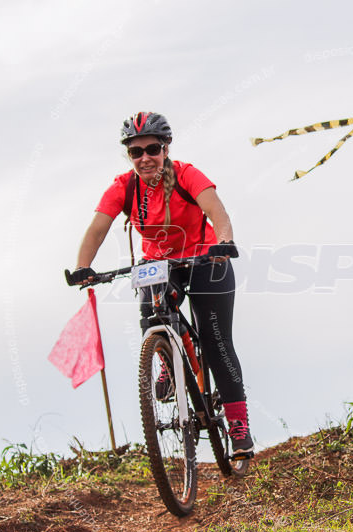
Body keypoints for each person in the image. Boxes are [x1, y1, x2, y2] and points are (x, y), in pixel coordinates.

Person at [71, 111, 253, 456]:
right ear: (129, 156)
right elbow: (98, 228)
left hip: (205, 259)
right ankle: (168, 360)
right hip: (159, 263)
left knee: (216, 341)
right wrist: (83, 267)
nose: (145, 158)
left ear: (165, 148)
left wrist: (224, 242)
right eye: (135, 152)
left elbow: (217, 212)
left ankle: (238, 424)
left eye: (151, 149)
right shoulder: (125, 186)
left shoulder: (186, 174)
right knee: (151, 313)